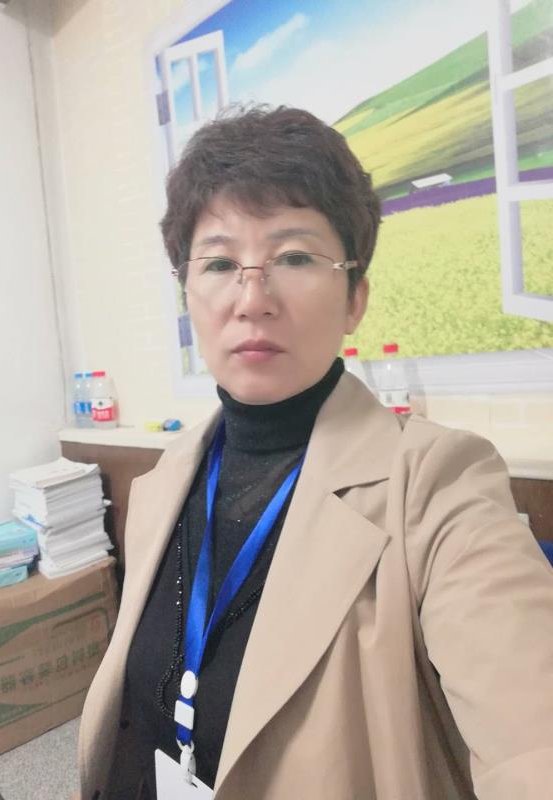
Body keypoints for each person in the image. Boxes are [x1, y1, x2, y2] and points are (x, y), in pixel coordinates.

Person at [77, 106, 553, 800]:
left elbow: (530, 734)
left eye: (295, 257)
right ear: (189, 294)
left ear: (355, 297)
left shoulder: (437, 485)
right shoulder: (162, 484)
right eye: (219, 262)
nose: (252, 298)